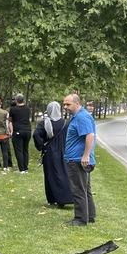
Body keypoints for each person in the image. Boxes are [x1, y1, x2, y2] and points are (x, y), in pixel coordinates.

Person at [62, 94, 97, 226]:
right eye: (64, 104)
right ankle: (90, 216)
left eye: (68, 104)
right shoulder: (78, 116)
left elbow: (90, 135)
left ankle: (80, 219)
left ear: (77, 103)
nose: (65, 107)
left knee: (78, 190)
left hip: (78, 160)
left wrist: (85, 155)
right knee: (85, 189)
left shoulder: (81, 117)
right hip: (78, 159)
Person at [33, 101, 72, 207]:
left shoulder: (44, 123)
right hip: (63, 151)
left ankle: (52, 198)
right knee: (63, 173)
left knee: (50, 175)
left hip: (49, 152)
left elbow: (36, 134)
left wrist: (41, 146)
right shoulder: (65, 123)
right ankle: (65, 198)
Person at [8, 93, 32, 173]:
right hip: (27, 131)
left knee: (19, 150)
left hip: (18, 131)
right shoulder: (28, 109)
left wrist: (11, 131)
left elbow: (10, 121)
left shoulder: (13, 109)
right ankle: (26, 168)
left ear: (16, 100)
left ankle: (21, 169)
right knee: (25, 149)